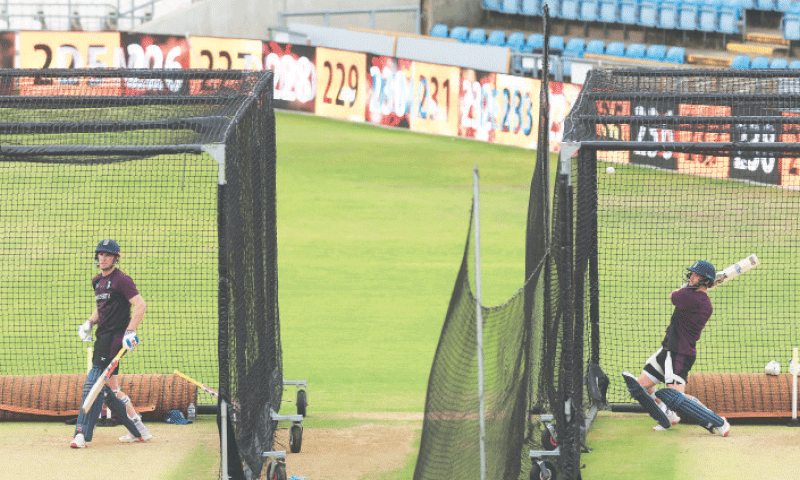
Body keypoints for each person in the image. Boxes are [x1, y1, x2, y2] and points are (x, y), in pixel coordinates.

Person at [626, 260, 730, 436]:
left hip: (679, 354)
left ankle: (718, 422)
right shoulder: (701, 300)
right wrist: (690, 287)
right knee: (641, 386)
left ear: (705, 281)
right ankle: (669, 414)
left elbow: (672, 295)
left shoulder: (691, 298)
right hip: (668, 349)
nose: (691, 277)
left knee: (677, 398)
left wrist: (685, 288)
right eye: (692, 274)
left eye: (696, 275)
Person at [71, 239, 153, 448]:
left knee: (93, 384)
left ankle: (81, 434)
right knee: (110, 388)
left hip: (117, 339)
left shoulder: (122, 280)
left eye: (108, 255)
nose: (104, 258)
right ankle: (138, 429)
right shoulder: (97, 281)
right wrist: (89, 323)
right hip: (102, 337)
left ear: (116, 258)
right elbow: (102, 306)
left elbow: (140, 306)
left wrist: (130, 331)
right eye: (101, 254)